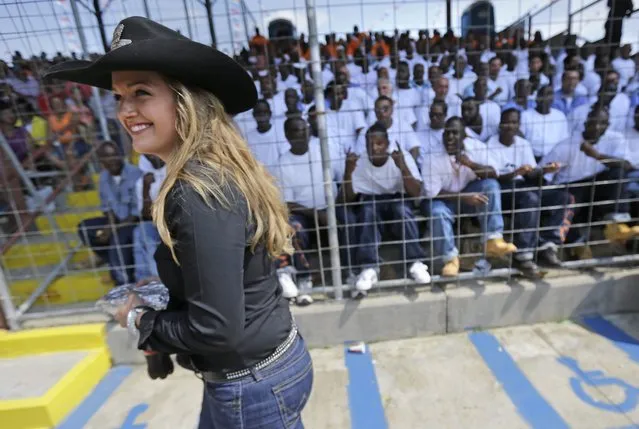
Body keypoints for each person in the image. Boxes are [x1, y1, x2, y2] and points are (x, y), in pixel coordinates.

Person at [46, 17, 313, 428]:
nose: (126, 111)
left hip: (250, 387)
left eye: (141, 93)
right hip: (263, 370)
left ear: (186, 101)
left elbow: (216, 329)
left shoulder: (196, 193)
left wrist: (140, 319)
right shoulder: (210, 173)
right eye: (119, 97)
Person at [339, 122, 431, 295]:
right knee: (367, 211)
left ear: (387, 144)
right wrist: (348, 173)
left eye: (379, 143)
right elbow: (345, 199)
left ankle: (415, 262)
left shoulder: (400, 156)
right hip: (371, 200)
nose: (375, 148)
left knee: (402, 211)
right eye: (370, 144)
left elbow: (416, 192)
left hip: (397, 198)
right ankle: (370, 267)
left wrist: (402, 166)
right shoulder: (360, 161)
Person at [420, 117, 517, 277]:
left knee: (490, 185)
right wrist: (464, 197)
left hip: (467, 193)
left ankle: (493, 240)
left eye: (455, 133)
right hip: (441, 199)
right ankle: (450, 259)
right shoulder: (432, 156)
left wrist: (470, 164)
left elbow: (495, 173)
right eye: (447, 133)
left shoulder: (475, 146)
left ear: (464, 136)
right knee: (438, 212)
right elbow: (432, 193)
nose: (450, 137)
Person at [541, 106, 639, 258]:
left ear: (608, 125)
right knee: (568, 201)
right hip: (571, 186)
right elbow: (544, 176)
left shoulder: (615, 138)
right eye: (593, 123)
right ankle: (576, 245)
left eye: (602, 123)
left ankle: (618, 224)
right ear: (586, 123)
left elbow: (627, 165)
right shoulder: (567, 144)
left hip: (597, 187)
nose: (597, 127)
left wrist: (598, 156)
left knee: (618, 173)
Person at [486, 109, 572, 276]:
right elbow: (494, 178)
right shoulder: (491, 144)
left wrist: (545, 170)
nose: (510, 126)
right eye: (506, 122)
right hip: (503, 189)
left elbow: (532, 173)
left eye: (514, 122)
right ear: (500, 125)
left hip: (523, 186)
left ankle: (547, 245)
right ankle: (522, 255)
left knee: (563, 197)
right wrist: (516, 173)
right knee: (530, 198)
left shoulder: (522, 143)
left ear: (519, 125)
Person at [77, 141, 141, 285]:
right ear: (101, 161)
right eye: (107, 157)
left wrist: (112, 229)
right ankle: (108, 259)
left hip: (134, 222)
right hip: (116, 221)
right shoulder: (104, 178)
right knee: (85, 228)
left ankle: (122, 281)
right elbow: (107, 208)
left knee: (118, 238)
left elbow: (138, 213)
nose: (113, 160)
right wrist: (110, 225)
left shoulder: (135, 174)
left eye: (115, 155)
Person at [133, 154, 166, 282]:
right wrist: (146, 189)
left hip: (175, 219)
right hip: (156, 222)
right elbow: (144, 214)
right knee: (142, 231)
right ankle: (149, 277)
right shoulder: (141, 182)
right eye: (149, 157)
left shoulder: (175, 172)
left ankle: (157, 277)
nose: (154, 158)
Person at [521, 85, 569, 160]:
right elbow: (521, 141)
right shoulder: (525, 116)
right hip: (532, 159)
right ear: (537, 98)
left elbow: (564, 141)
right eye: (543, 94)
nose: (545, 98)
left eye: (549, 94)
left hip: (554, 160)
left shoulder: (560, 116)